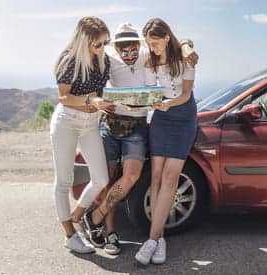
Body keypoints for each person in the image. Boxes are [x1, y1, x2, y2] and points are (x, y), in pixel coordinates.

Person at [80, 22, 198, 256]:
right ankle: (113, 232)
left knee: (142, 176)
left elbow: (180, 45)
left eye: (134, 47)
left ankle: (143, 235)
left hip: (148, 124)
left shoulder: (153, 54)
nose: (129, 53)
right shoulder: (114, 59)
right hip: (117, 123)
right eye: (123, 48)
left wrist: (186, 46)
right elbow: (93, 77)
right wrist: (97, 102)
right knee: (117, 177)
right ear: (117, 48)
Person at [135, 18, 197, 265]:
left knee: (171, 177)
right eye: (150, 44)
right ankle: (160, 240)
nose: (153, 48)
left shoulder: (185, 59)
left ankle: (151, 240)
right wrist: (151, 102)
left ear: (167, 38)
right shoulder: (149, 61)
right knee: (156, 177)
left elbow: (186, 94)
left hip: (183, 117)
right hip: (161, 118)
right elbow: (152, 93)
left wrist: (168, 104)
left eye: (157, 43)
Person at [50, 16, 114, 254]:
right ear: (83, 41)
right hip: (66, 121)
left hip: (90, 123)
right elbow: (64, 97)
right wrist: (91, 100)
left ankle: (77, 214)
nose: (101, 48)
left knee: (101, 179)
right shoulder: (69, 60)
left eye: (105, 43)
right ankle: (70, 235)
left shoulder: (104, 61)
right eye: (97, 44)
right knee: (64, 182)